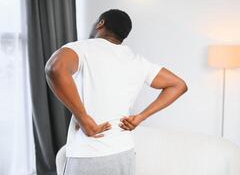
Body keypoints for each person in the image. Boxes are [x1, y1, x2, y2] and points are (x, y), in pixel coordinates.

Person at [45, 9, 188, 175]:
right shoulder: (136, 60)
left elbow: (55, 68)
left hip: (89, 152)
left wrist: (83, 118)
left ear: (101, 23)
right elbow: (178, 85)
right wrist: (141, 117)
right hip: (124, 152)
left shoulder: (82, 48)